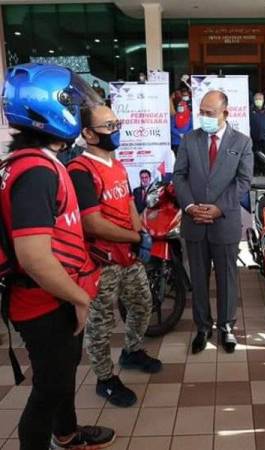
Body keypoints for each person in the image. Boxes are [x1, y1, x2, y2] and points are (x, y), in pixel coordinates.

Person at [0, 63, 115, 449]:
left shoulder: (42, 161)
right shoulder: (36, 172)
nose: (84, 113)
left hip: (56, 296)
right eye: (76, 104)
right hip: (43, 302)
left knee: (64, 377)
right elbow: (33, 257)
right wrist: (80, 298)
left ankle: (67, 434)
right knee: (49, 389)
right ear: (53, 108)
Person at [67, 104, 162, 408]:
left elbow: (129, 204)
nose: (116, 130)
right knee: (100, 324)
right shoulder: (80, 170)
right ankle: (105, 379)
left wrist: (140, 231)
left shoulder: (117, 164)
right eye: (108, 126)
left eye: (116, 123)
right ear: (87, 133)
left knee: (142, 304)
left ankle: (131, 351)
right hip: (101, 262)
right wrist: (136, 237)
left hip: (128, 256)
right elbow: (92, 223)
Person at [173, 91, 253, 355]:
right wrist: (190, 206)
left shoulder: (241, 142)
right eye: (202, 112)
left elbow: (242, 181)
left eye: (210, 113)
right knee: (198, 277)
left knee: (227, 278)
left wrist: (219, 208)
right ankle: (202, 327)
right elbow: (180, 175)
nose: (204, 117)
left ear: (225, 114)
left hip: (224, 221)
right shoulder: (189, 139)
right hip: (194, 220)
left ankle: (226, 327)